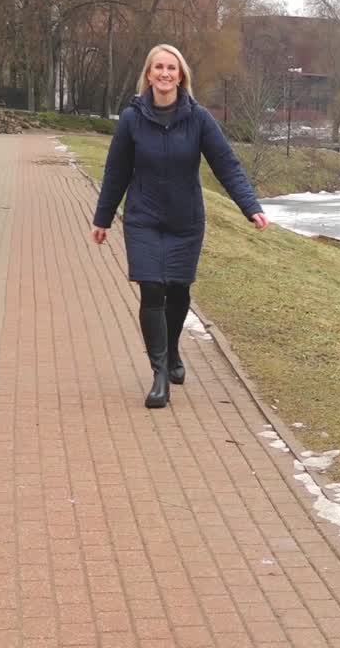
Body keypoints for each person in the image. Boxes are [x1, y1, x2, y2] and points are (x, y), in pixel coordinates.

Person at [91, 44, 270, 408]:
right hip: (143, 219)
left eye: (171, 68)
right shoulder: (132, 119)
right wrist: (103, 217)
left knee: (177, 291)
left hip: (185, 221)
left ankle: (172, 348)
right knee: (151, 289)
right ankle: (159, 374)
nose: (165, 73)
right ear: (149, 74)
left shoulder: (198, 118)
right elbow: (116, 172)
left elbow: (227, 165)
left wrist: (250, 207)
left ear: (181, 75)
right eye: (158, 67)